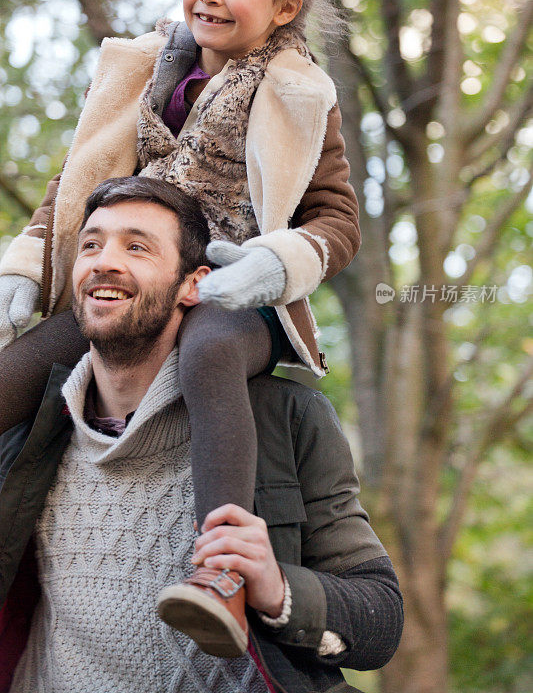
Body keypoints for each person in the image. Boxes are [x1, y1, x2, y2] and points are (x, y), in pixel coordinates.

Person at [0, 0, 361, 653]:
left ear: (283, 7)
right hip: (144, 274)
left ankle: (221, 579)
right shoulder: (143, 66)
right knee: (21, 365)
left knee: (207, 354)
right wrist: (31, 263)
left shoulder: (298, 93)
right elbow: (77, 181)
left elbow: (336, 220)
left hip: (232, 290)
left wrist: (273, 266)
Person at [0, 177, 402, 693]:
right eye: (91, 245)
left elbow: (382, 619)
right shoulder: (29, 428)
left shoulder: (286, 418)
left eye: (137, 247)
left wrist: (278, 589)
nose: (104, 261)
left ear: (194, 283)